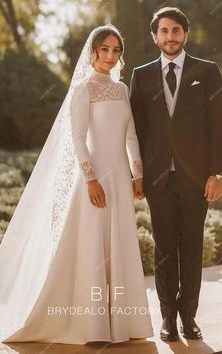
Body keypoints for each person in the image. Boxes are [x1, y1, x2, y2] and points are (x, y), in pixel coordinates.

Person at [0, 24, 153, 345]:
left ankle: (122, 324)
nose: (109, 56)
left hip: (119, 180)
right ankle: (92, 327)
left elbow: (130, 134)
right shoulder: (83, 89)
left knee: (117, 246)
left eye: (116, 50)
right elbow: (77, 138)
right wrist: (90, 178)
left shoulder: (120, 90)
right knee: (92, 247)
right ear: (92, 52)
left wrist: (138, 173)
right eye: (104, 49)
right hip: (94, 181)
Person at [130, 7, 222, 342]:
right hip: (158, 179)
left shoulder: (208, 71)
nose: (170, 37)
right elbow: (134, 130)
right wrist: (136, 173)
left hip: (197, 178)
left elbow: (218, 124)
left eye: (176, 30)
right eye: (164, 31)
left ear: (186, 34)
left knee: (192, 247)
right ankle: (167, 316)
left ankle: (189, 317)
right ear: (155, 36)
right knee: (164, 248)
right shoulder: (140, 75)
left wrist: (217, 173)